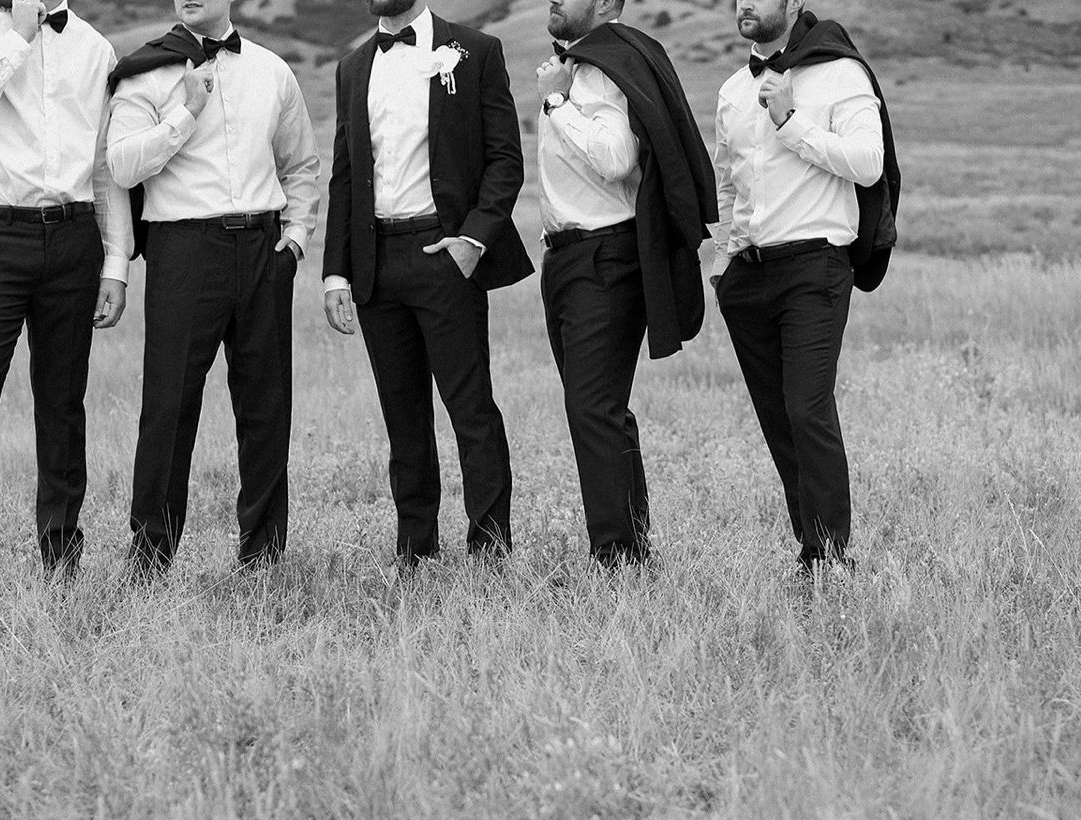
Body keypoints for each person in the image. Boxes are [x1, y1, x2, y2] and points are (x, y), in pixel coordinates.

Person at [0, 0, 132, 591]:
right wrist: (15, 39)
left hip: (73, 240)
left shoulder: (94, 48)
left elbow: (102, 167)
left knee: (63, 405)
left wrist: (115, 261)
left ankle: (61, 567)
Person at [107, 0, 320, 574]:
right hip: (183, 252)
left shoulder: (273, 71)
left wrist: (296, 236)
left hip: (263, 250)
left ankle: (264, 556)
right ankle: (151, 556)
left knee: (267, 406)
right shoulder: (148, 73)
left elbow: (300, 163)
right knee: (169, 406)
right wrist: (183, 114)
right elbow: (121, 166)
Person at [322, 0, 533, 569]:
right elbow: (345, 173)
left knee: (471, 410)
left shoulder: (475, 51)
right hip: (375, 265)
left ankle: (490, 550)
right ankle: (416, 551)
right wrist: (336, 270)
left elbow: (505, 160)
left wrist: (472, 240)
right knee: (403, 416)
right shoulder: (352, 67)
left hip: (444, 256)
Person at [536, 0, 716, 567]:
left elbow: (616, 158)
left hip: (604, 257)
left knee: (593, 406)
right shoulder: (585, 64)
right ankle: (631, 550)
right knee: (601, 406)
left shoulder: (603, 68)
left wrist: (558, 101)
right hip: (570, 257)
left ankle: (616, 557)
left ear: (607, 4)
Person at [711, 0, 887, 576]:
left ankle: (835, 559)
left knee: (807, 409)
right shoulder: (735, 90)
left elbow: (868, 162)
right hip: (749, 275)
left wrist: (792, 123)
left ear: (792, 3)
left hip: (815, 266)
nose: (745, 4)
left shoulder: (841, 73)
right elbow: (727, 184)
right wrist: (724, 261)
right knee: (778, 419)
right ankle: (811, 551)